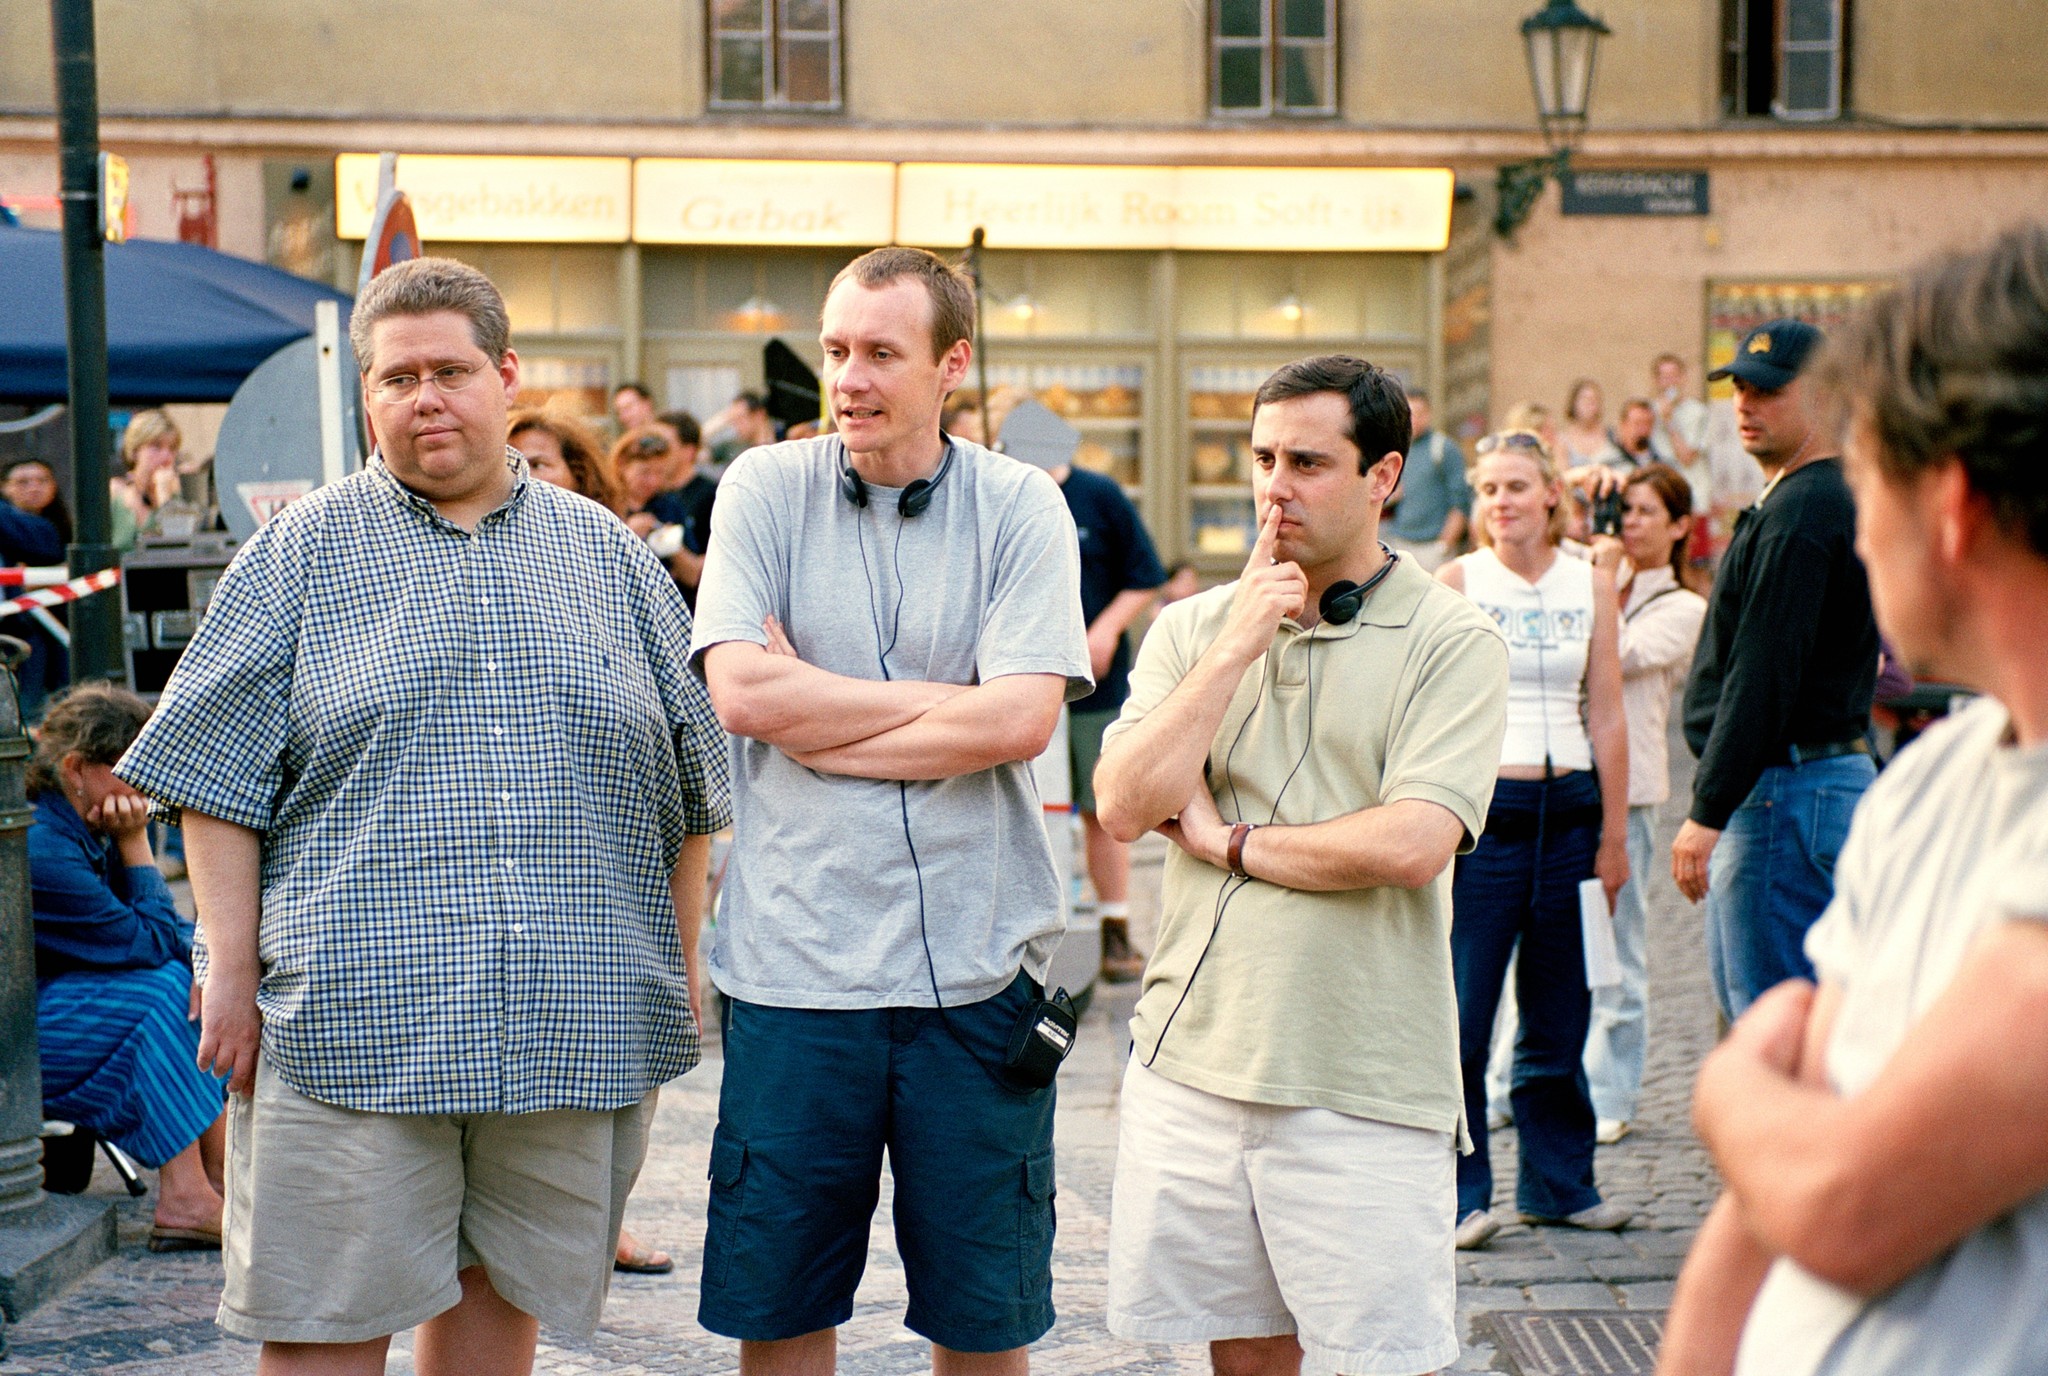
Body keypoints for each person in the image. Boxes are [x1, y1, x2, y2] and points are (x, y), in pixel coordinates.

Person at [115, 256, 732, 1374]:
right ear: (365, 396)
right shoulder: (296, 554)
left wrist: (674, 970)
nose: (424, 397)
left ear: (505, 377)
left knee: (501, 1306)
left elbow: (689, 792)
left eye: (449, 370)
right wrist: (232, 967)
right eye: (395, 378)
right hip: (353, 1021)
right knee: (320, 1328)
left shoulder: (611, 562)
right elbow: (212, 778)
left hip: (568, 1022)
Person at [689, 246, 1089, 1376]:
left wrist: (819, 715)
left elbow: (1016, 723)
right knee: (777, 1309)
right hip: (793, 974)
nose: (848, 377)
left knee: (981, 1317)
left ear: (951, 362)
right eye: (834, 350)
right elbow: (740, 690)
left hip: (975, 977)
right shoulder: (762, 488)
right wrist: (940, 707)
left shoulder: (1021, 507)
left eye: (879, 352)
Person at [1657, 222, 2048, 1376]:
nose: (1851, 521)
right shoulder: (1930, 772)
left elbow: (1837, 1199)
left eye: (1868, 480)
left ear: (1950, 508)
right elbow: (1764, 1202)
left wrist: (1726, 1096)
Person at [1095, 355, 1509, 1376]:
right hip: (1192, 1060)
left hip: (1358, 1077)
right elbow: (1120, 803)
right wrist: (1231, 646)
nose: (1274, 484)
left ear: (1383, 475)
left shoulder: (1452, 637)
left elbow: (1409, 842)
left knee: (1375, 1358)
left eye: (1308, 462)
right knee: (1239, 1353)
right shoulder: (1194, 630)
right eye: (1261, 458)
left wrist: (1228, 842)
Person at [1440, 428, 1631, 1250]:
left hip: (1572, 818)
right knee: (1464, 1015)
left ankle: (1560, 1185)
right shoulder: (1456, 581)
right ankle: (1458, 1197)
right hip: (1486, 825)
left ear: (1552, 493)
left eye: (1517, 486)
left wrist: (1615, 837)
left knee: (1561, 1013)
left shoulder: (1590, 583)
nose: (1502, 502)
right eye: (1488, 489)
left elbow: (1610, 713)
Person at [1673, 319, 1878, 1022]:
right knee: (1803, 1021)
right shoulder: (1816, 497)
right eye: (1738, 389)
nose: (1744, 405)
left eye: (1767, 391)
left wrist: (1706, 810)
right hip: (1810, 784)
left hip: (1784, 790)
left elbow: (1762, 675)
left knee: (1773, 1030)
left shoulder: (1803, 510)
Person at [31, 683, 228, 1252]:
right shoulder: (46, 849)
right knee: (165, 991)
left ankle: (217, 1182)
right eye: (130, 767)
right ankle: (189, 1195)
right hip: (22, 1045)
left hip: (56, 1007)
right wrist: (138, 843)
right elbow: (147, 940)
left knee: (190, 983)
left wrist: (202, 963)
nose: (145, 783)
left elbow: (167, 939)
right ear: (76, 768)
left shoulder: (82, 829)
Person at [1000, 399, 1168, 983]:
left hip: (1096, 692)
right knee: (1026, 810)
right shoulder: (1007, 493)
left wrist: (1105, 629)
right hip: (1020, 685)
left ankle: (1117, 931)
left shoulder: (1100, 496)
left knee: (1103, 811)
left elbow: (1145, 576)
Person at [1583, 464, 1707, 1144]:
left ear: (1679, 526)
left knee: (1620, 945)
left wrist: (1600, 580)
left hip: (1629, 794)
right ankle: (1523, 1083)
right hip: (1564, 780)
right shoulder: (1595, 571)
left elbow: (1615, 653)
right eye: (1620, 508)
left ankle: (1611, 1095)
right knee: (1542, 942)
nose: (1627, 523)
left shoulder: (1683, 607)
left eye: (1643, 512)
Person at [0, 456, 72, 718]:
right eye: (22, 482)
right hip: (21, 628)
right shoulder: (9, 522)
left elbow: (48, 543)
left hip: (55, 627)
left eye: (42, 480)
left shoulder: (55, 527)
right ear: (4, 487)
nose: (34, 487)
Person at [1382, 386, 1471, 572]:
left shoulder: (1443, 449)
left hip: (1432, 547)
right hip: (1400, 542)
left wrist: (1444, 545)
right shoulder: (1395, 449)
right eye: (1408, 414)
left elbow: (1460, 503)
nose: (1413, 420)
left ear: (1429, 414)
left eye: (1419, 414)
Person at [507, 407, 621, 513]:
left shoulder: (605, 530)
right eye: (510, 466)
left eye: (537, 465)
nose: (521, 477)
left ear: (578, 473)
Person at [1649, 353, 1713, 514]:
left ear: (1683, 378)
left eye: (1674, 377)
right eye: (1664, 377)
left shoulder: (1699, 413)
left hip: (1694, 497)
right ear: (1656, 381)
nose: (1670, 382)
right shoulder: (1649, 413)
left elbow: (1687, 457)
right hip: (1661, 496)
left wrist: (1669, 422)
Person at [114, 409, 183, 550]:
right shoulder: (115, 498)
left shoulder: (178, 502)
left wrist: (164, 498)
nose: (166, 457)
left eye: (172, 449)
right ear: (135, 451)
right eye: (156, 446)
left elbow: (176, 551)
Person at [1561, 379, 1623, 470]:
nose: (1589, 404)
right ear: (1573, 403)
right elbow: (1562, 478)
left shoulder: (1613, 436)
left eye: (1594, 400)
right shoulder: (1563, 441)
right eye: (1584, 399)